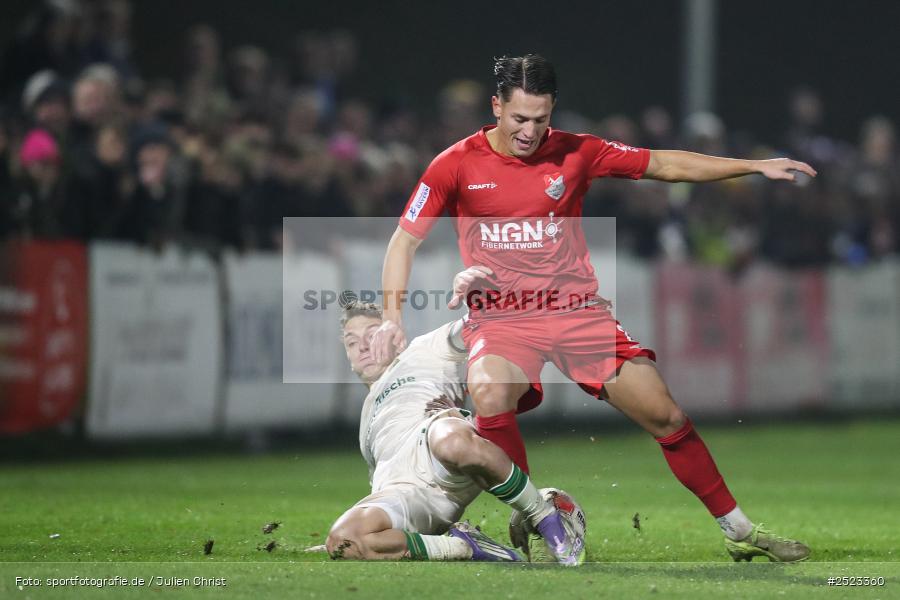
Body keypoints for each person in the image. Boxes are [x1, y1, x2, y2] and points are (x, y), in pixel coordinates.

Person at [373, 54, 814, 562]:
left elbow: (664, 164)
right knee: (488, 389)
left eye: (540, 119)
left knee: (665, 415)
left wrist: (753, 167)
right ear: (496, 106)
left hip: (576, 313)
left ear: (552, 109)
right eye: (519, 119)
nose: (529, 131)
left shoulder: (579, 152)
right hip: (503, 320)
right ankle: (534, 510)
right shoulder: (454, 164)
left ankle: (739, 531)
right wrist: (391, 317)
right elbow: (403, 241)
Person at [325, 300, 584, 564]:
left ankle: (545, 517)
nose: (364, 347)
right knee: (343, 540)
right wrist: (356, 536)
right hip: (405, 493)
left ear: (396, 338)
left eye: (372, 334)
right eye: (352, 342)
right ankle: (464, 547)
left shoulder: (426, 349)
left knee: (450, 438)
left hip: (440, 450)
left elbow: (484, 320)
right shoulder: (368, 419)